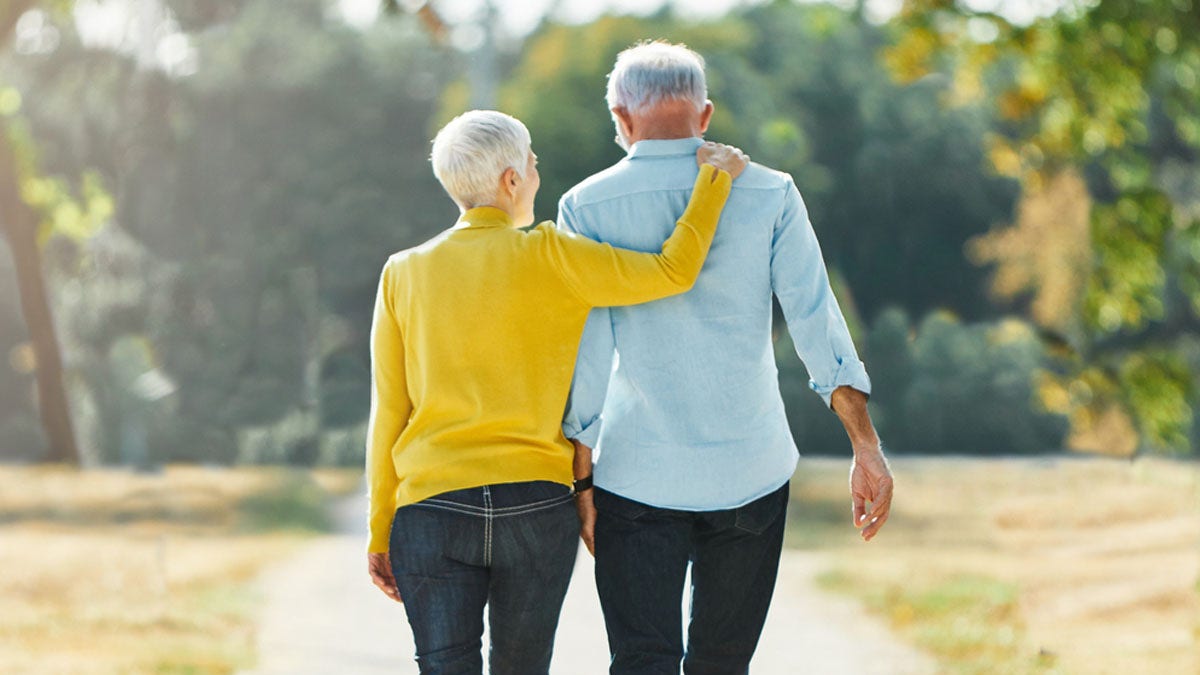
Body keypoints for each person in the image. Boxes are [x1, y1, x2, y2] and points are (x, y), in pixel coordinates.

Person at [364, 109, 747, 675]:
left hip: (432, 509)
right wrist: (714, 180)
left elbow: (390, 411)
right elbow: (673, 271)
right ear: (511, 180)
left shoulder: (403, 272)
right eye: (533, 164)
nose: (537, 175)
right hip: (535, 508)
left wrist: (380, 528)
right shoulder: (555, 256)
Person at [560, 41, 895, 674]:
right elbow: (814, 317)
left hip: (636, 477)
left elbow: (588, 343)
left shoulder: (586, 206)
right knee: (723, 666)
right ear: (705, 115)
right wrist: (865, 446)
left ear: (620, 117)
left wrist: (580, 473)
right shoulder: (771, 191)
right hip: (751, 471)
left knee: (641, 661)